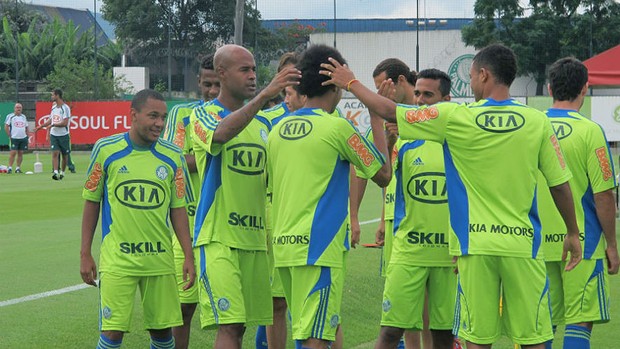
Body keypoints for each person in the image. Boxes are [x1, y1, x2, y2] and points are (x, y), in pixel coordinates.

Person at [321, 43, 582, 349]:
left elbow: (389, 111)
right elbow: (559, 185)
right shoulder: (537, 121)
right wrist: (573, 232)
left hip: (475, 246)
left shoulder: (457, 116)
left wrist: (350, 82)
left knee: (476, 339)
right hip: (523, 246)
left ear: (484, 75)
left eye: (471, 76)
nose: (470, 84)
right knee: (534, 339)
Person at [267, 44, 392, 349]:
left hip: (284, 248)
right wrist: (377, 117)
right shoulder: (338, 128)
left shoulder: (276, 130)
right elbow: (383, 174)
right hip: (320, 250)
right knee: (316, 339)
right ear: (335, 86)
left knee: (304, 330)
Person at [189, 44, 300, 349]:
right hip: (218, 238)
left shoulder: (265, 124)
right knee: (231, 325)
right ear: (221, 73)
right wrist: (265, 94)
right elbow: (221, 134)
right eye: (245, 70)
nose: (252, 76)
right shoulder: (204, 115)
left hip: (255, 241)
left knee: (245, 329)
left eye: (254, 70)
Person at [80, 89, 196, 349]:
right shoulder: (106, 150)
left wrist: (188, 255)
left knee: (163, 334)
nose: (159, 123)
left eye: (163, 117)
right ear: (133, 115)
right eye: (153, 116)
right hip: (118, 260)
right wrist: (85, 253)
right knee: (111, 334)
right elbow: (91, 201)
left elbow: (178, 210)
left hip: (160, 261)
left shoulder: (173, 156)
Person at [537, 57, 620, 349]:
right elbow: (604, 195)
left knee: (539, 324)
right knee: (580, 320)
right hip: (584, 242)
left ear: (549, 88)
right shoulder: (590, 131)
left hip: (535, 244)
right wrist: (611, 244)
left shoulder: (533, 126)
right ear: (585, 88)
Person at [375, 68, 456, 349]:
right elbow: (382, 174)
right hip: (409, 252)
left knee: (444, 336)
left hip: (449, 255)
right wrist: (388, 141)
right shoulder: (404, 139)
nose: (420, 101)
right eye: (417, 93)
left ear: (446, 100)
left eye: (428, 95)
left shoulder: (459, 141)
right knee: (389, 332)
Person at [160, 52, 220, 349]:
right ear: (198, 82)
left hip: (226, 225)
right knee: (184, 306)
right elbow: (173, 161)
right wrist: (213, 147)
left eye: (218, 85)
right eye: (207, 84)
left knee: (232, 314)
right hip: (189, 222)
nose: (212, 91)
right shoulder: (182, 114)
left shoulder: (242, 117)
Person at [256, 51, 305, 349]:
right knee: (275, 302)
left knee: (315, 302)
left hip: (317, 221)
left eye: (297, 76)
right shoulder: (266, 120)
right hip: (274, 218)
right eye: (286, 77)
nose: (292, 82)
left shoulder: (331, 117)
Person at [34, 89, 71, 180]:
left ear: (57, 95)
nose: (51, 97)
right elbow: (51, 119)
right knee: (55, 153)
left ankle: (62, 172)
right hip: (54, 134)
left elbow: (65, 123)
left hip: (64, 135)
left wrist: (54, 125)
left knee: (65, 155)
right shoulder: (54, 108)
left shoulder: (65, 108)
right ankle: (55, 172)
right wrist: (40, 126)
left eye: (53, 95)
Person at [4, 103, 28, 174]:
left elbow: (26, 126)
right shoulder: (10, 116)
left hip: (23, 137)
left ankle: (18, 168)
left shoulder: (23, 117)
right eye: (17, 107)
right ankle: (10, 167)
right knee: (13, 153)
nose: (19, 109)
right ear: (14, 108)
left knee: (20, 153)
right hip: (14, 137)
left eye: (20, 107)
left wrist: (27, 135)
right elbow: (6, 126)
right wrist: (9, 135)